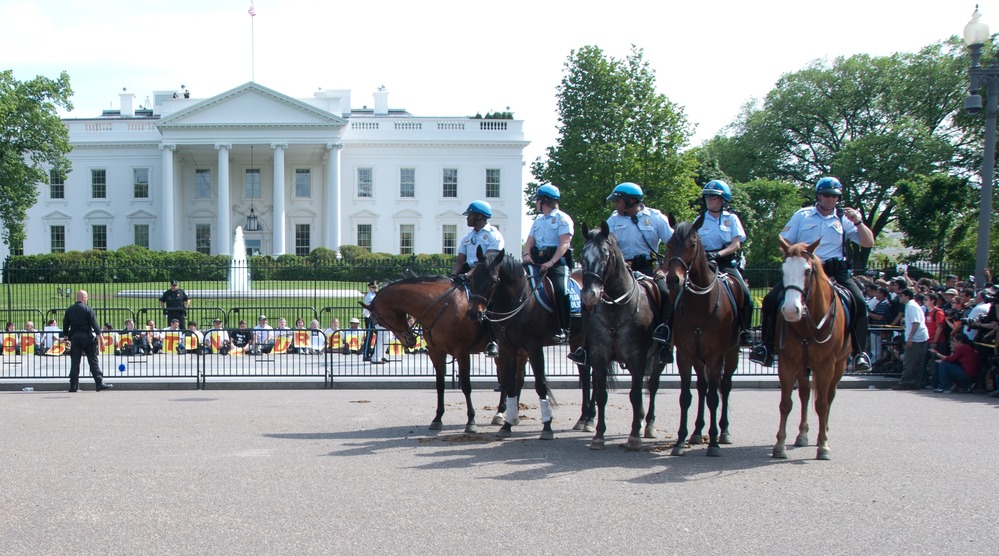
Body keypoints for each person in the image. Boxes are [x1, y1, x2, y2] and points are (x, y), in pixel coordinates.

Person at [750, 177, 874, 371]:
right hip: (804, 271)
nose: (830, 199)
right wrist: (796, 257)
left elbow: (868, 242)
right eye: (826, 195)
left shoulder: (843, 219)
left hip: (834, 271)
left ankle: (859, 352)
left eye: (834, 196)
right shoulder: (802, 215)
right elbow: (784, 240)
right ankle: (766, 347)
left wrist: (858, 221)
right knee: (771, 300)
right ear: (818, 195)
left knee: (859, 302)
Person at [568, 182, 672, 364]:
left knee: (666, 294)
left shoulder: (655, 218)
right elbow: (604, 246)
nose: (616, 205)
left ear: (631, 201)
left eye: (618, 201)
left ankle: (664, 343)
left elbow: (672, 244)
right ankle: (584, 346)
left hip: (648, 269)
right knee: (589, 300)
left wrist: (664, 268)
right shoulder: (613, 221)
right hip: (621, 272)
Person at [695, 180, 754, 346]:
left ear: (723, 200)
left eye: (714, 197)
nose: (709, 200)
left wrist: (718, 254)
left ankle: (745, 330)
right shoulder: (699, 220)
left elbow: (736, 244)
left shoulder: (732, 219)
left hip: (726, 262)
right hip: (704, 263)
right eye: (707, 197)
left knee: (745, 293)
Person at [453, 200, 506, 358]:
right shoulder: (467, 238)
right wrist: (454, 275)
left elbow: (488, 262)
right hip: (468, 273)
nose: (467, 218)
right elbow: (459, 261)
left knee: (490, 304)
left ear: (480, 217)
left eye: (470, 215)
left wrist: (471, 274)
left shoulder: (493, 235)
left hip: (485, 275)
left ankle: (493, 341)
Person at [522, 184, 574, 343]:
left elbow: (564, 244)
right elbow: (529, 241)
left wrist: (551, 263)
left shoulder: (563, 219)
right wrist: (526, 254)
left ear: (544, 201)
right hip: (536, 262)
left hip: (556, 263)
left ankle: (564, 328)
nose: (536, 203)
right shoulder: (538, 221)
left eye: (537, 200)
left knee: (561, 289)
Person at [61, 290, 112, 392]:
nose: (87, 299)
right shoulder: (88, 309)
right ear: (83, 298)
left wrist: (66, 338)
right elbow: (94, 324)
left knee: (75, 362)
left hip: (75, 337)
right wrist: (101, 337)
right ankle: (99, 383)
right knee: (93, 360)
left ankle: (73, 385)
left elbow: (65, 324)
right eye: (87, 297)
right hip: (87, 337)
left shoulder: (70, 310)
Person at [892, 288, 929, 390]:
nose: (899, 298)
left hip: (916, 338)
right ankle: (915, 383)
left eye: (901, 296)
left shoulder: (911, 306)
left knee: (910, 361)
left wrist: (910, 337)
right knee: (916, 362)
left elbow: (915, 322)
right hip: (918, 337)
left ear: (906, 296)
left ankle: (906, 382)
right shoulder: (911, 305)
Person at [362, 281, 378, 361]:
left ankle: (372, 353)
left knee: (378, 335)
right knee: (369, 336)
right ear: (369, 288)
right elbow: (370, 307)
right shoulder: (369, 296)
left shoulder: (375, 294)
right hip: (369, 317)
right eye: (373, 287)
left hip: (374, 318)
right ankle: (365, 354)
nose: (374, 289)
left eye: (375, 287)